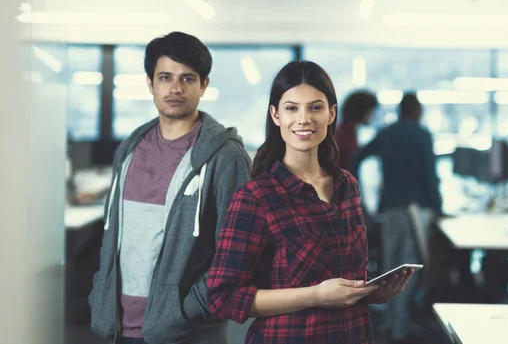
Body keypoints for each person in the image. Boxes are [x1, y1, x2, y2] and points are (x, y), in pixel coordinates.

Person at [207, 61, 415, 344]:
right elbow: (222, 298)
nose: (303, 119)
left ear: (331, 114)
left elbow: (346, 279)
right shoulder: (257, 196)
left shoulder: (348, 186)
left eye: (315, 107)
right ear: (276, 115)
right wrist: (315, 295)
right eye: (292, 108)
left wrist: (371, 293)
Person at [88, 32, 252, 344]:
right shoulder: (130, 148)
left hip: (188, 332)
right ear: (150, 83)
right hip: (118, 329)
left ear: (204, 85)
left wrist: (185, 309)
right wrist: (101, 291)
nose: (175, 88)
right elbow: (115, 236)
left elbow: (237, 254)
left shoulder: (225, 158)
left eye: (187, 79)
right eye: (165, 77)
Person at [351, 92, 442, 344]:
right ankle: (399, 330)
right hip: (414, 209)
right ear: (417, 111)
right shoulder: (422, 135)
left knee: (390, 270)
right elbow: (429, 175)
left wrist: (355, 192)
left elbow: (356, 159)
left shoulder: (386, 133)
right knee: (409, 268)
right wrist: (438, 207)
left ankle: (391, 325)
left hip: (390, 208)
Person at [336, 90, 378, 172]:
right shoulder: (346, 135)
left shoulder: (344, 130)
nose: (373, 115)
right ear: (363, 111)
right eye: (371, 111)